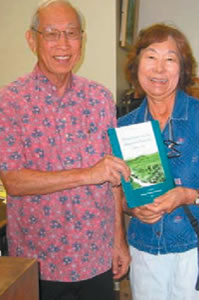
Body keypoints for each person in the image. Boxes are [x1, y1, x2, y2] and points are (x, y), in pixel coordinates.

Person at [0, 1, 131, 299]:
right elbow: (14, 182)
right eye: (51, 34)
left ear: (82, 40)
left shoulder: (99, 98)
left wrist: (118, 240)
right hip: (39, 262)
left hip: (95, 258)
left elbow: (111, 180)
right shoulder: (10, 101)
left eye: (72, 33)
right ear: (32, 39)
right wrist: (87, 174)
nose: (63, 44)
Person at [118, 23, 199, 300]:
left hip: (198, 252)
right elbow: (121, 196)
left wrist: (190, 195)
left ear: (183, 69)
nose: (159, 69)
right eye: (151, 57)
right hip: (146, 252)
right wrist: (133, 209)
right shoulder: (125, 127)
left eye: (170, 59)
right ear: (137, 64)